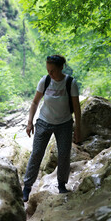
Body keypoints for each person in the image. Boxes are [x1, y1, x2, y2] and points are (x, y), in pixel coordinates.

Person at [22, 54, 81, 202]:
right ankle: (27, 187)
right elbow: (35, 102)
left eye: (53, 70)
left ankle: (61, 184)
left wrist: (78, 128)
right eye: (48, 70)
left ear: (61, 68)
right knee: (36, 153)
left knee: (64, 155)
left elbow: (76, 107)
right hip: (44, 121)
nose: (50, 73)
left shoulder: (70, 83)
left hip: (64, 124)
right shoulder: (45, 80)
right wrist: (30, 122)